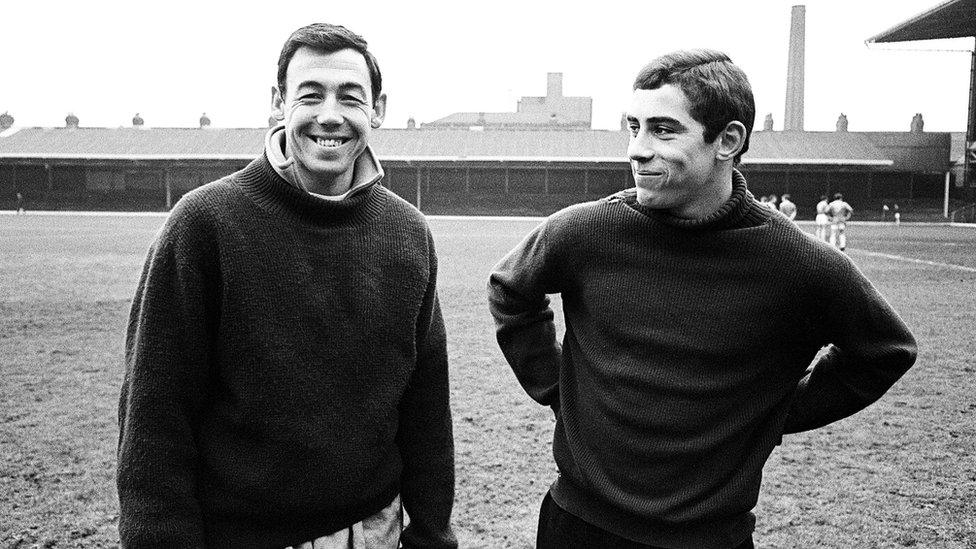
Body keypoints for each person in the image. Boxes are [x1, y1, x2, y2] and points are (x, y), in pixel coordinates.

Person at [488, 49, 916, 549]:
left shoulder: (798, 263)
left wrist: (776, 413)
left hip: (713, 539)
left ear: (728, 141)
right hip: (578, 526)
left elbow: (885, 351)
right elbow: (510, 289)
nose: (638, 149)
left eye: (664, 130)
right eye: (634, 127)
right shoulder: (586, 230)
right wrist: (558, 389)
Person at [117, 23, 456, 549]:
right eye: (310, 95)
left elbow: (426, 408)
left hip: (374, 534)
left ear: (378, 109)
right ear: (278, 104)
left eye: (350, 97)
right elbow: (155, 419)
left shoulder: (408, 233)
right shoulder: (205, 225)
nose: (330, 115)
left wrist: (433, 534)